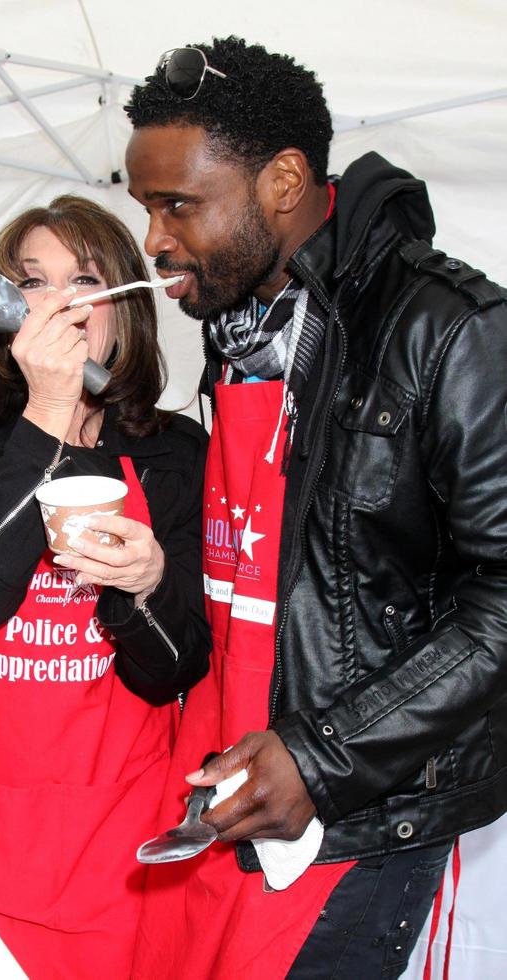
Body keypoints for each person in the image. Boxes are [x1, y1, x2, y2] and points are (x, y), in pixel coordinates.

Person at [123, 35, 507, 980]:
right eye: (145, 208)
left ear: (284, 181)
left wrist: (323, 754)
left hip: (360, 812)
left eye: (178, 205)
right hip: (235, 775)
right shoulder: (244, 324)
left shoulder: (450, 329)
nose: (155, 240)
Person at [0, 194, 211, 979]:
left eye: (83, 279)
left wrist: (146, 585)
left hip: (114, 817)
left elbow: (176, 667)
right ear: (5, 310)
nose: (58, 302)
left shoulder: (175, 451)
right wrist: (48, 409)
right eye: (31, 281)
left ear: (123, 312)